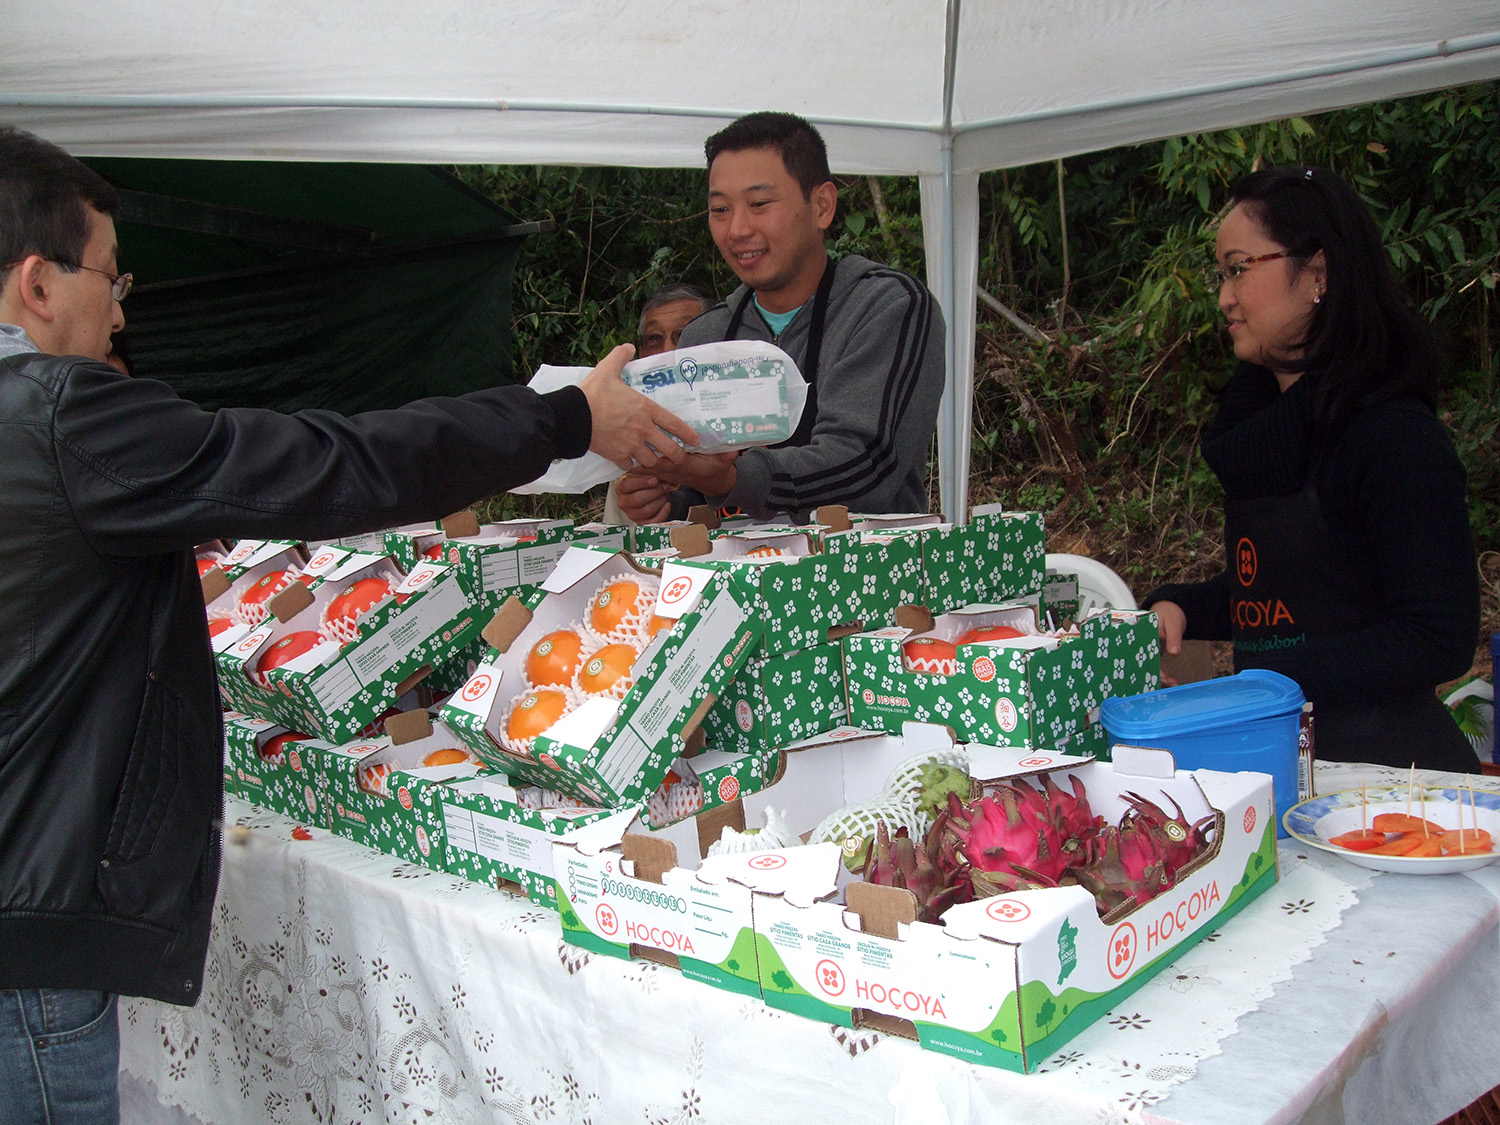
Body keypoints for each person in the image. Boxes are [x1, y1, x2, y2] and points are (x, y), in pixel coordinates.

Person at [0, 124, 696, 1123]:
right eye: (111, 277)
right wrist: (562, 420)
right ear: (38, 284)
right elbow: (323, 465)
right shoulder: (57, 419)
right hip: (25, 944)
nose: (119, 307)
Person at [1144, 165, 1480, 773]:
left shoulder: (1392, 436)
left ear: (1317, 274)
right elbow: (1290, 594)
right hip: (1280, 763)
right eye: (1221, 275)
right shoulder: (1257, 433)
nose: (1224, 297)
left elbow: (1437, 636)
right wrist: (1184, 607)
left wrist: (1258, 680)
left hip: (1388, 783)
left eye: (1240, 269)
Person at [616, 111, 945, 524]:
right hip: (733, 586)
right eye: (720, 209)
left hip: (860, 580)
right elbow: (705, 495)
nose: (737, 229)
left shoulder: (888, 307)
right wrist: (666, 504)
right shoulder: (705, 338)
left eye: (759, 204)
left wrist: (730, 479)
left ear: (822, 206)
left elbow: (863, 466)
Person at [602, 282, 714, 525]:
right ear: (641, 353)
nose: (668, 351)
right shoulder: (627, 438)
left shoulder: (745, 421)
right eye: (654, 339)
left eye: (683, 336)